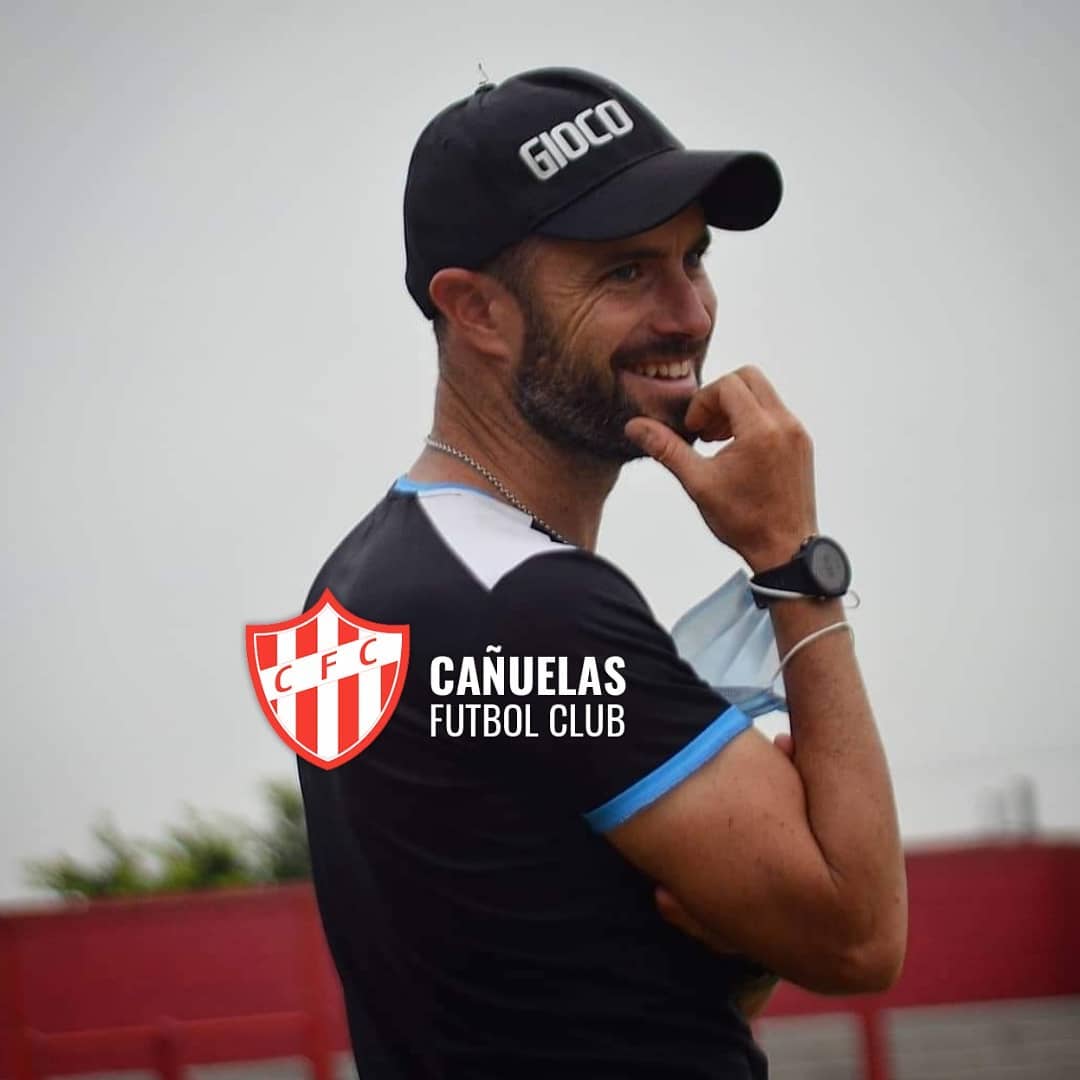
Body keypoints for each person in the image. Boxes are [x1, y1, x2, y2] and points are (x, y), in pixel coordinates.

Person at [297, 67, 907, 1079]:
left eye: (694, 258)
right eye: (626, 272)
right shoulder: (528, 606)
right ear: (477, 311)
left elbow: (557, 974)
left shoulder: (361, 580)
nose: (690, 315)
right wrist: (792, 559)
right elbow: (858, 934)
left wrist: (745, 934)